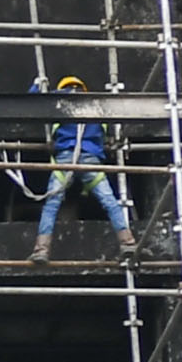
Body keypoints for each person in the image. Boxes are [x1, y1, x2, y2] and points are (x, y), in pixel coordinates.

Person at [29, 75, 141, 265]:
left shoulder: (58, 99)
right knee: (110, 202)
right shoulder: (96, 105)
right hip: (91, 161)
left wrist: (37, 84)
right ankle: (127, 243)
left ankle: (42, 250)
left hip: (65, 160)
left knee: (52, 204)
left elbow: (31, 102)